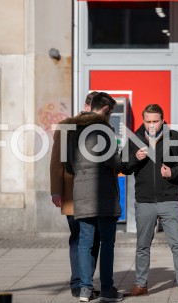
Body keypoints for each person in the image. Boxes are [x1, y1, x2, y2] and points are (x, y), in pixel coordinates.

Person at [121, 104, 178, 299]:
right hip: (145, 201)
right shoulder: (135, 139)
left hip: (169, 199)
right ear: (143, 121)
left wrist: (172, 173)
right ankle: (141, 284)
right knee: (142, 245)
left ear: (163, 120)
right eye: (148, 121)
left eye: (156, 121)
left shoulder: (175, 138)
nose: (152, 125)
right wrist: (134, 158)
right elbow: (123, 166)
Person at [66, 92, 123, 302]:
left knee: (84, 242)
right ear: (106, 109)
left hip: (81, 191)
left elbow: (69, 165)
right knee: (107, 241)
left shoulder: (72, 130)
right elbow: (115, 162)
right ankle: (107, 289)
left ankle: (85, 290)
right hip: (104, 193)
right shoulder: (105, 130)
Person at [50, 92, 100, 298]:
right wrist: (56, 190)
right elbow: (56, 162)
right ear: (87, 107)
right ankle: (78, 283)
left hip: (97, 192)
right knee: (79, 238)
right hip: (72, 192)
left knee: (94, 238)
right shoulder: (66, 126)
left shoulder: (102, 126)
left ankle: (85, 282)